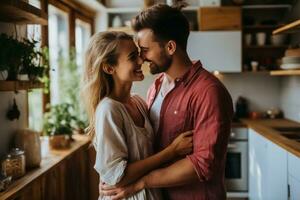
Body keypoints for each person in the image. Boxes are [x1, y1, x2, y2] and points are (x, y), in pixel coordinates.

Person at [100, 4, 233, 200]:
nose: (142, 59)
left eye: (145, 50)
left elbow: (203, 164)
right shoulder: (156, 86)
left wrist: (141, 182)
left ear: (170, 47)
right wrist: (113, 175)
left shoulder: (208, 91)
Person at [81, 31, 193, 200]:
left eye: (139, 54)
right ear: (109, 68)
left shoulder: (138, 102)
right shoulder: (108, 110)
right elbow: (117, 177)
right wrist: (172, 151)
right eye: (133, 57)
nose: (141, 60)